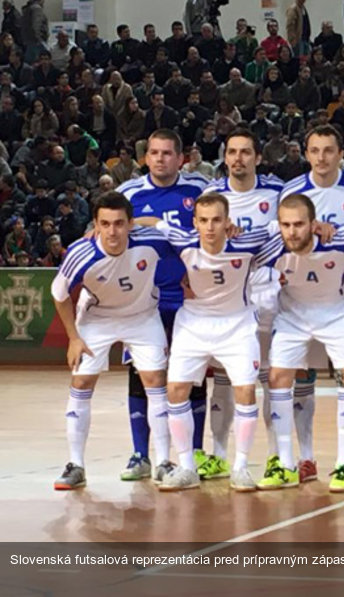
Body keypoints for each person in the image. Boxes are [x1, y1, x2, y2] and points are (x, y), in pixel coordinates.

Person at [133, 193, 276, 492]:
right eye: (204, 220)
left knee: (246, 391)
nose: (210, 227)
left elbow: (283, 231)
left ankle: (240, 468)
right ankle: (186, 467)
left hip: (237, 324)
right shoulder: (184, 240)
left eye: (216, 220)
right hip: (194, 324)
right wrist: (128, 222)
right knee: (175, 390)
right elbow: (155, 222)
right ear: (195, 222)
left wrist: (315, 226)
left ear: (228, 222)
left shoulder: (247, 244)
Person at [50, 192, 173, 490]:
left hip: (142, 316)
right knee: (81, 383)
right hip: (97, 318)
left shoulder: (151, 240)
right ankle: (76, 464)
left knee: (156, 381)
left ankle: (165, 462)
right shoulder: (81, 252)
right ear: (95, 224)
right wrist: (73, 337)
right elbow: (59, 293)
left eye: (120, 223)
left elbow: (170, 230)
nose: (112, 231)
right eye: (104, 224)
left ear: (130, 224)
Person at [280, 124, 344, 484]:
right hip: (299, 296)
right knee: (301, 375)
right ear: (306, 154)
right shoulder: (292, 192)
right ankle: (305, 457)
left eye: (328, 150)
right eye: (315, 150)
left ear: (341, 154)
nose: (321, 157)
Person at [115, 129, 208, 481]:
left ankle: (195, 452)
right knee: (142, 375)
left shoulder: (199, 190)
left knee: (192, 376)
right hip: (145, 303)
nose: (159, 159)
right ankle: (141, 455)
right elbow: (108, 230)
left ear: (181, 157)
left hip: (189, 300)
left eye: (167, 153)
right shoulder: (128, 193)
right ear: (145, 157)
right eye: (153, 152)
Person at [257, 194, 344, 491]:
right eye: (286, 225)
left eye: (299, 224)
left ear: (313, 223)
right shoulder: (273, 246)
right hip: (293, 315)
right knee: (278, 378)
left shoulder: (340, 239)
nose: (292, 232)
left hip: (340, 312)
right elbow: (234, 249)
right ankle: (287, 464)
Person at [198, 131, 286, 485]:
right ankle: (219, 455)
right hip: (226, 296)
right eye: (232, 152)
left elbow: (286, 234)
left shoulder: (277, 192)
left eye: (246, 152)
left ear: (258, 157)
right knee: (224, 377)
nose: (238, 159)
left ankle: (277, 458)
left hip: (266, 292)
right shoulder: (210, 196)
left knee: (268, 378)